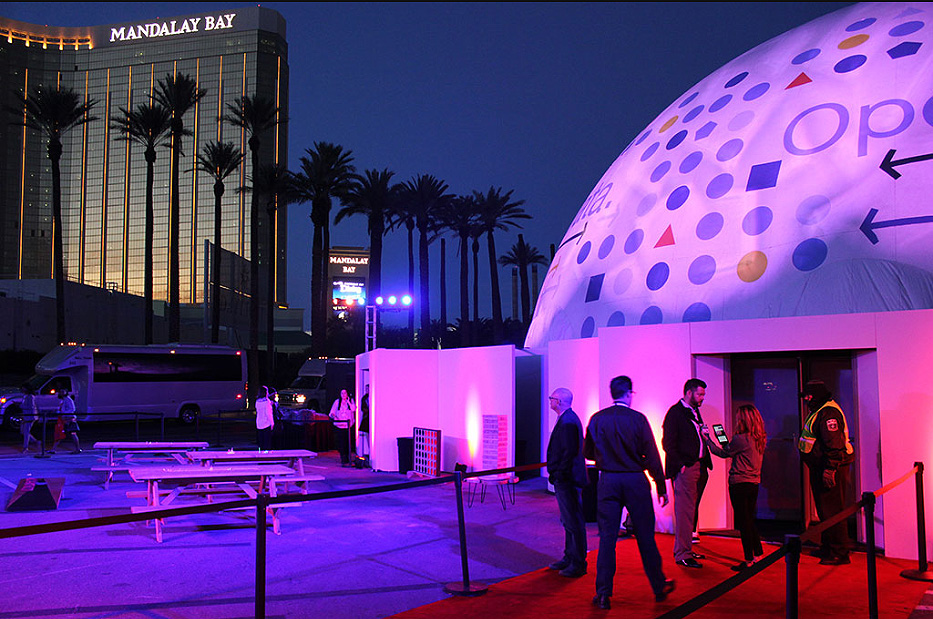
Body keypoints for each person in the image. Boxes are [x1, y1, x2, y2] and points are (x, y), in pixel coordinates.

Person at [584, 375, 675, 610]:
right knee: (645, 536)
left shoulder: (597, 419)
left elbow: (588, 453)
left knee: (607, 538)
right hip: (635, 479)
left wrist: (608, 458)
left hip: (608, 480)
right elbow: (652, 455)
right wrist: (661, 485)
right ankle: (658, 586)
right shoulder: (638, 419)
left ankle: (603, 593)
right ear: (628, 393)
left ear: (613, 393)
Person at [701, 405, 767, 571]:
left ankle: (749, 559)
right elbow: (730, 449)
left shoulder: (741, 439)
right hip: (753, 483)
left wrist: (707, 440)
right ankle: (758, 553)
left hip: (739, 483)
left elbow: (725, 453)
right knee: (749, 519)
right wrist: (724, 442)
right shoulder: (758, 437)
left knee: (743, 522)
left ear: (743, 419)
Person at [798, 380, 855, 565]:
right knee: (825, 510)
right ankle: (829, 547)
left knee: (833, 510)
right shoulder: (821, 409)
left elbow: (834, 445)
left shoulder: (828, 412)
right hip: (822, 466)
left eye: (808, 396)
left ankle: (839, 552)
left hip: (830, 467)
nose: (806, 399)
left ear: (814, 395)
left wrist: (829, 470)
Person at [662, 378, 712, 568]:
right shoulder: (675, 413)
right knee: (685, 511)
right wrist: (681, 464)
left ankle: (687, 549)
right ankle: (682, 553)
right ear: (689, 392)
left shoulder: (694, 411)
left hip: (699, 466)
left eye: (703, 395)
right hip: (687, 468)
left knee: (691, 510)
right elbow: (668, 443)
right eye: (700, 394)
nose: (702, 398)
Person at [545, 387, 588, 578]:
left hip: (568, 479)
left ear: (559, 401)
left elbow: (569, 453)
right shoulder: (567, 419)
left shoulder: (568, 421)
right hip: (566, 478)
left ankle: (577, 562)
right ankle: (569, 557)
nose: (550, 401)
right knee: (568, 520)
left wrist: (558, 473)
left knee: (573, 521)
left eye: (552, 398)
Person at [329, 389, 356, 465]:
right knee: (341, 443)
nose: (343, 394)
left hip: (348, 426)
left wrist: (349, 402)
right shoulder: (337, 402)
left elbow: (353, 409)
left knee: (348, 443)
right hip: (340, 426)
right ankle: (343, 459)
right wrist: (335, 417)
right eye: (342, 393)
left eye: (345, 393)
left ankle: (348, 458)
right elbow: (331, 413)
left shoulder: (350, 401)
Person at [20, 385, 41, 454]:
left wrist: (21, 406)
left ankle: (25, 447)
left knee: (26, 432)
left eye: (24, 388)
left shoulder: (30, 396)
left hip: (30, 416)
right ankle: (35, 441)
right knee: (23, 431)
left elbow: (31, 406)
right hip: (26, 416)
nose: (22, 390)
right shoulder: (25, 396)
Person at [255, 385, 275, 451]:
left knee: (261, 442)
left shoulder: (257, 402)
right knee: (267, 442)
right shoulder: (267, 402)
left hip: (259, 424)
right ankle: (267, 457)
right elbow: (269, 414)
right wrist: (272, 423)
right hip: (266, 424)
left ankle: (260, 455)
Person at [359, 386, 370, 458]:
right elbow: (362, 408)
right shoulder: (364, 398)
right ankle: (369, 450)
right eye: (366, 389)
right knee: (367, 435)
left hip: (370, 417)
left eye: (368, 389)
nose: (367, 390)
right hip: (366, 418)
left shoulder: (374, 396)